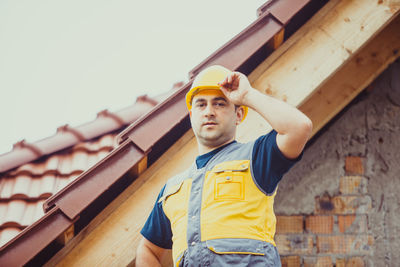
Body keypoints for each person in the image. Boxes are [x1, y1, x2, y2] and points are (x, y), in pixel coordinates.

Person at [136, 65, 313, 266]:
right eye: (201, 105)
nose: (209, 112)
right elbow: (147, 249)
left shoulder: (256, 158)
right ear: (191, 115)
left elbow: (299, 127)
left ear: (239, 115)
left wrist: (247, 95)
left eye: (219, 104)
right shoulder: (172, 190)